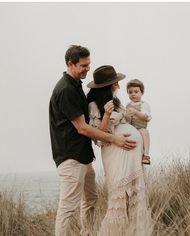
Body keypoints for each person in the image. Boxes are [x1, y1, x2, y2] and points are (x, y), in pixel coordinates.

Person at [49, 45, 137, 236]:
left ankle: (87, 233)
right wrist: (115, 139)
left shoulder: (75, 85)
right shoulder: (65, 90)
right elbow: (82, 127)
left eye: (89, 64)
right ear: (70, 64)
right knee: (67, 208)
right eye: (83, 65)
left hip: (82, 156)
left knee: (90, 199)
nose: (87, 69)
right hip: (70, 157)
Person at [87, 65, 153, 236]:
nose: (118, 86)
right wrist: (107, 115)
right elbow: (97, 136)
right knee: (120, 198)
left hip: (132, 157)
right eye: (115, 83)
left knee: (134, 198)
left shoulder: (117, 102)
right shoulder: (94, 105)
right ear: (107, 86)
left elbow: (130, 121)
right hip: (115, 154)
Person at [126, 79, 152, 165]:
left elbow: (145, 117)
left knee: (145, 132)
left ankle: (146, 155)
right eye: (130, 92)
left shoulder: (144, 104)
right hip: (131, 127)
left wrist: (136, 112)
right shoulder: (128, 105)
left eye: (136, 92)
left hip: (140, 127)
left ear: (142, 93)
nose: (133, 94)